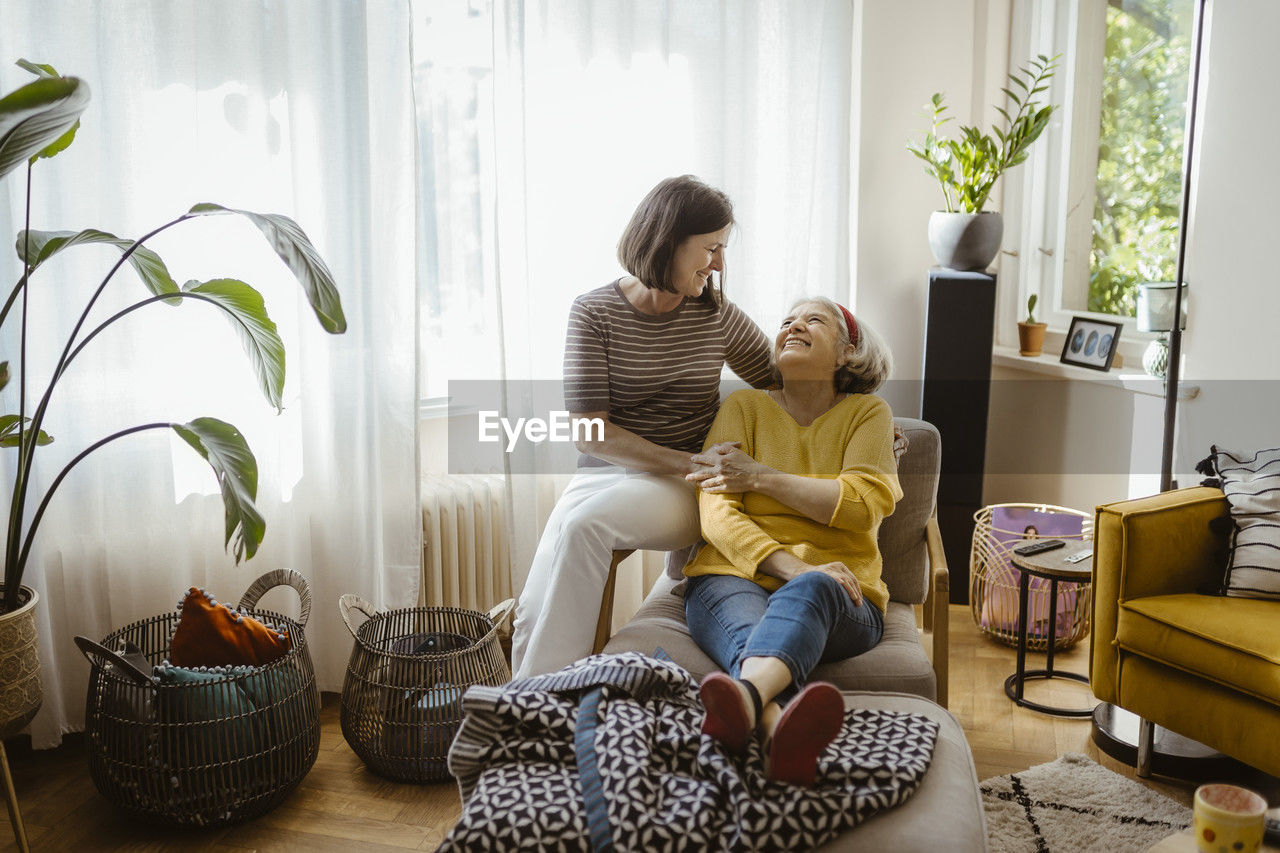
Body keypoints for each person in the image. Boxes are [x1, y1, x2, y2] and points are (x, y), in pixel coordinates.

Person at [510, 176, 775, 679]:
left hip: (683, 485)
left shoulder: (715, 315)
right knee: (533, 606)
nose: (718, 264)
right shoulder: (594, 312)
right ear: (668, 241)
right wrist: (687, 458)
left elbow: (788, 377)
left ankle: (541, 706)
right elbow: (592, 433)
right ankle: (526, 710)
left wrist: (867, 415)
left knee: (586, 527)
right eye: (710, 249)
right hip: (607, 473)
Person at [680, 296, 902, 787]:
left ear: (848, 352)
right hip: (731, 577)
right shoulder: (743, 407)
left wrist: (759, 477)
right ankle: (776, 729)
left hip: (841, 593)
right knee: (761, 629)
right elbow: (715, 514)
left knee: (816, 588)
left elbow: (861, 504)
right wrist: (793, 567)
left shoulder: (868, 414)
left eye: (813, 319)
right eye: (786, 320)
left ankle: (741, 702)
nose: (793, 325)